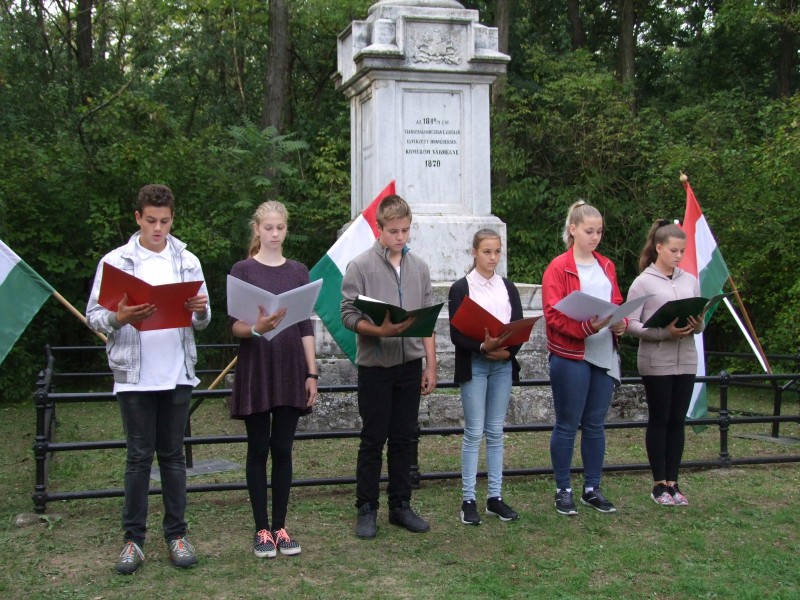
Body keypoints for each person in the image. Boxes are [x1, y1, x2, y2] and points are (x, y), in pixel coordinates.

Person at [86, 184, 211, 574]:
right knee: (138, 458)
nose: (159, 228)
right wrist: (118, 317)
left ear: (173, 219)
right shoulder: (116, 262)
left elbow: (203, 319)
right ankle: (133, 542)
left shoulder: (187, 260)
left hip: (177, 372)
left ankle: (177, 535)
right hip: (135, 376)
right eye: (152, 221)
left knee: (173, 457)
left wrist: (199, 310)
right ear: (138, 217)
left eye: (166, 221)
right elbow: (94, 316)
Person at [341, 194, 437, 539]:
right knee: (372, 439)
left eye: (405, 230)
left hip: (409, 364)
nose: (400, 237)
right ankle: (366, 508)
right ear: (379, 228)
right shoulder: (360, 266)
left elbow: (427, 320)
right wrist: (377, 331)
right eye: (394, 231)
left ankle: (400, 505)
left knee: (403, 438)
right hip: (375, 366)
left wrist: (431, 365)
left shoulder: (419, 267)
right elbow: (347, 314)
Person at [228, 201, 318, 558]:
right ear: (257, 229)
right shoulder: (243, 269)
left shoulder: (298, 271)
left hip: (291, 367)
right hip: (257, 367)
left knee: (282, 449)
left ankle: (280, 526)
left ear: (286, 229)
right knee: (258, 449)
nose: (275, 233)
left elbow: (305, 325)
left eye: (280, 227)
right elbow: (235, 326)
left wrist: (312, 373)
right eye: (268, 227)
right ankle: (261, 529)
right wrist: (257, 327)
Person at [542, 200, 626, 516]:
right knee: (567, 424)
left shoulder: (607, 265)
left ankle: (592, 488)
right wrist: (587, 327)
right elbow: (553, 314)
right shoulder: (558, 267)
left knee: (595, 424)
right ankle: (563, 489)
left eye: (599, 231)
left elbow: (616, 301)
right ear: (573, 229)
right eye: (589, 231)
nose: (595, 237)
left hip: (603, 351)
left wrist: (620, 322)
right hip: (571, 354)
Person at [625, 220, 703, 506]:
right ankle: (659, 484)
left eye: (682, 251)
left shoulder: (689, 280)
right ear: (659, 248)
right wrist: (663, 333)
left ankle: (674, 482)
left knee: (677, 420)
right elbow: (630, 323)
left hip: (687, 359)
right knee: (660, 419)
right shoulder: (643, 282)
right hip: (657, 361)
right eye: (673, 250)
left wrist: (697, 322)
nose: (678, 256)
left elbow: (701, 323)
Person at [448, 229, 523, 525]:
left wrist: (507, 352)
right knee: (473, 431)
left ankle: (495, 496)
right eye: (487, 252)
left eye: (497, 252)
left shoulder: (508, 287)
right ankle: (468, 499)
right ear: (474, 252)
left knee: (495, 431)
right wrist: (482, 346)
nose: (493, 258)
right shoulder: (461, 288)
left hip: (502, 364)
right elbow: (456, 334)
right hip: (475, 364)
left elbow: (518, 325)